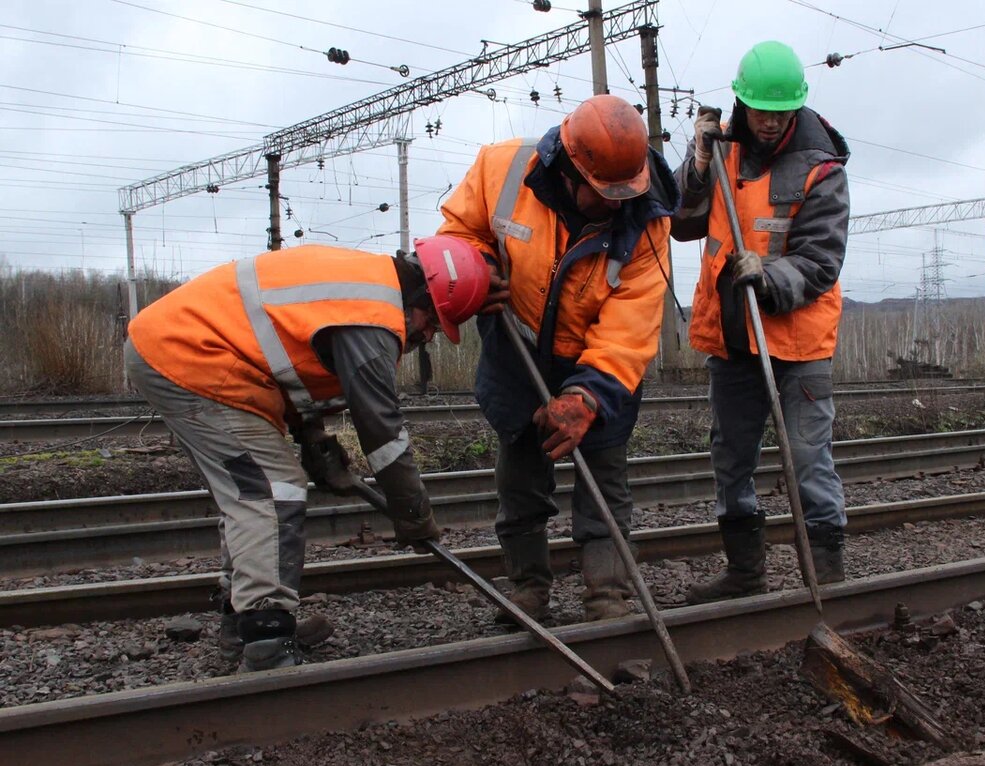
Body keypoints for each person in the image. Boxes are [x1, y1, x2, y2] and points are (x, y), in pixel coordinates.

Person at [124, 238, 490, 671]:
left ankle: (243, 624)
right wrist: (412, 512)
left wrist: (313, 441)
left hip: (189, 353)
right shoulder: (374, 320)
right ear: (421, 295)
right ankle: (266, 641)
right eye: (433, 322)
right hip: (191, 356)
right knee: (271, 491)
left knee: (251, 493)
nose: (428, 336)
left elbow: (284, 358)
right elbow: (382, 430)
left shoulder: (362, 290)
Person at [437, 94, 679, 623]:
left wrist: (587, 396)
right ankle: (527, 589)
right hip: (517, 347)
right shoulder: (501, 169)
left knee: (604, 480)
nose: (615, 203)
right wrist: (477, 271)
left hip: (598, 365)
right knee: (520, 476)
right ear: (569, 168)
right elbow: (458, 232)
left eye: (623, 193)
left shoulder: (647, 221)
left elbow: (631, 325)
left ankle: (607, 594)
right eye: (602, 194)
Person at [670, 41, 851, 603]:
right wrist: (698, 164)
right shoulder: (721, 151)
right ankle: (745, 574)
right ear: (740, 103)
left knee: (807, 460)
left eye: (781, 112)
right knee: (731, 458)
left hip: (797, 342)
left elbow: (821, 261)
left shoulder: (822, 170)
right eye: (760, 111)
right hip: (732, 339)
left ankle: (826, 582)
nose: (770, 123)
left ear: (797, 107)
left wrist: (770, 276)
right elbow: (682, 222)